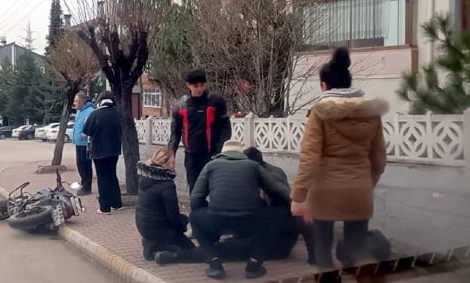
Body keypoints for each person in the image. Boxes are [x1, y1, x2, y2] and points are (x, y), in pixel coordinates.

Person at [290, 47, 388, 270]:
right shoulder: (371, 114)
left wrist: (298, 196)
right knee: (358, 248)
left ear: (324, 85)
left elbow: (310, 158)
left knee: (323, 251)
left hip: (325, 191)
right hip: (359, 189)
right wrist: (365, 183)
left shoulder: (319, 113)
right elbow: (379, 159)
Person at [154, 146, 314, 267]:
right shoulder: (279, 202)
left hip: (266, 248)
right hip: (273, 245)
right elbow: (307, 224)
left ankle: (175, 257)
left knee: (221, 249)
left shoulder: (275, 212)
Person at [189, 141, 285, 280]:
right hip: (249, 221)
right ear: (241, 153)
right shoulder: (253, 166)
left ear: (222, 152)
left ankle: (214, 262)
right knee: (275, 216)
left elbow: (196, 198)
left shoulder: (210, 166)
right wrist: (294, 204)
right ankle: (254, 264)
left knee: (194, 218)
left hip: (217, 220)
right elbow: (277, 189)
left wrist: (205, 210)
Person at [168, 69, 231, 193]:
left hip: (212, 154)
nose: (199, 89)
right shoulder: (181, 105)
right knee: (195, 190)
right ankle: (197, 212)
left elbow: (226, 128)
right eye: (195, 86)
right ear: (188, 85)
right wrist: (171, 153)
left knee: (216, 188)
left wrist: (220, 151)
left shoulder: (216, 102)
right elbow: (175, 132)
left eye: (202, 85)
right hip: (191, 155)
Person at [135, 148, 196, 260]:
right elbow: (172, 215)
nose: (174, 164)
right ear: (165, 163)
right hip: (159, 228)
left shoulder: (144, 177)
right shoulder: (167, 184)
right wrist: (183, 224)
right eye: (172, 161)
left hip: (143, 225)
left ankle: (152, 245)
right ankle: (166, 255)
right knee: (192, 251)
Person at [82, 91, 123, 214]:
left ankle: (104, 207)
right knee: (112, 176)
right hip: (114, 150)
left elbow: (86, 130)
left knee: (103, 178)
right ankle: (117, 203)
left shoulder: (96, 114)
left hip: (99, 151)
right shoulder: (117, 113)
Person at [72, 93, 95, 196]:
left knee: (85, 165)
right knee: (80, 164)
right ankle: (83, 183)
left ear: (81, 102)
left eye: (76, 101)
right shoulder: (79, 112)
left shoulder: (90, 111)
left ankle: (87, 187)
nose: (74, 103)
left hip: (85, 144)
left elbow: (91, 126)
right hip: (78, 143)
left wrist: (86, 135)